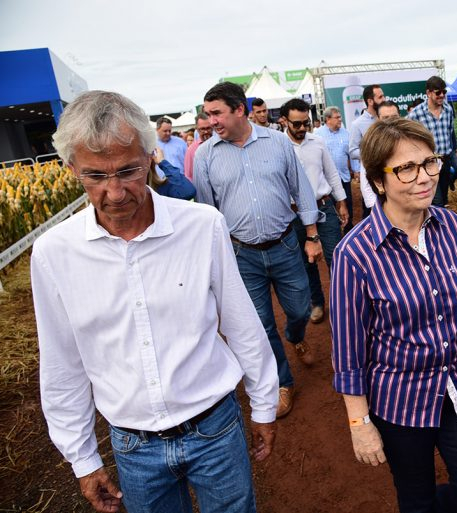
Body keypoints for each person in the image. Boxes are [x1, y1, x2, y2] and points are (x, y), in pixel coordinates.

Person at [32, 90, 278, 513]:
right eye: (94, 176)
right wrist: (83, 459)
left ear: (151, 156)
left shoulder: (202, 226)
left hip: (215, 428)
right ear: (72, 168)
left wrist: (264, 403)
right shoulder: (54, 253)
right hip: (133, 445)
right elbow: (62, 363)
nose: (114, 192)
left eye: (128, 170)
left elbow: (240, 321)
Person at [331, 117, 457, 513]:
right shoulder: (354, 253)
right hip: (400, 398)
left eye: (430, 163)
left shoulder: (453, 226)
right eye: (406, 168)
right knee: (416, 499)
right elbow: (348, 350)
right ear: (377, 181)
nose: (424, 177)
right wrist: (359, 424)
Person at [194, 82, 322, 419]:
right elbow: (209, 212)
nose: (211, 121)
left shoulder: (278, 142)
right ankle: (283, 381)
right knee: (261, 324)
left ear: (239, 110)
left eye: (217, 113)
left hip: (284, 245)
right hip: (242, 254)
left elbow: (302, 188)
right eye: (208, 115)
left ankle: (296, 335)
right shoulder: (206, 155)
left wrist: (311, 234)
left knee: (299, 309)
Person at [281, 98, 348, 325]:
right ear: (284, 121)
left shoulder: (318, 142)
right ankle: (317, 303)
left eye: (305, 123)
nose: (302, 129)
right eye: (296, 124)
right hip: (295, 213)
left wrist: (342, 201)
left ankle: (342, 304)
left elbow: (331, 174)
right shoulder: (277, 145)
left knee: (336, 257)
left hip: (324, 207)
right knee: (307, 261)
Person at [407, 76, 457, 207]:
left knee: (444, 197)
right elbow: (406, 135)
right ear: (428, 93)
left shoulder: (448, 110)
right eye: (438, 92)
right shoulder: (416, 114)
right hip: (429, 163)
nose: (442, 95)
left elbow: (450, 131)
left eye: (444, 92)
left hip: (445, 159)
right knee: (437, 200)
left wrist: (454, 150)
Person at [315, 106, 353, 233]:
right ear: (328, 119)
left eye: (340, 117)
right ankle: (333, 232)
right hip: (326, 179)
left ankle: (349, 232)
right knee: (330, 208)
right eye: (337, 117)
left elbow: (351, 154)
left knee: (348, 205)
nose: (340, 119)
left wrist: (356, 170)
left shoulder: (346, 133)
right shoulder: (317, 135)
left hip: (344, 176)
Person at [349, 83, 385, 218]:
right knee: (372, 214)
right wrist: (373, 153)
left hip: (390, 175)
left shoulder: (385, 118)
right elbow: (352, 152)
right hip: (371, 177)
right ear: (370, 101)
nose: (384, 99)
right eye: (380, 97)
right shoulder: (357, 124)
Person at [359, 101, 400, 215]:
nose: (391, 121)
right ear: (378, 119)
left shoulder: (412, 140)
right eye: (386, 117)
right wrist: (375, 208)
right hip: (383, 204)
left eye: (394, 117)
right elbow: (366, 181)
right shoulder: (370, 144)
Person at [183, 112, 213, 180]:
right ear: (197, 129)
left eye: (208, 128)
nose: (206, 132)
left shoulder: (221, 145)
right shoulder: (191, 150)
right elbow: (189, 175)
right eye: (202, 129)